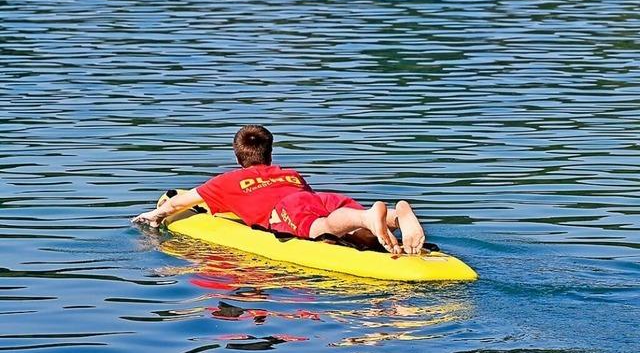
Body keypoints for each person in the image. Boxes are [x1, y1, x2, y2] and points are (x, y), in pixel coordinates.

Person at [132, 125, 425, 255]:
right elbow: (311, 202)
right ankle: (393, 218)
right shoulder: (289, 174)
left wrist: (154, 216)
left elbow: (178, 203)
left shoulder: (226, 182)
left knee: (320, 228)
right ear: (270, 154)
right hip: (317, 197)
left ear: (238, 158)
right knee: (352, 232)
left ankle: (367, 218)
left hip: (289, 211)